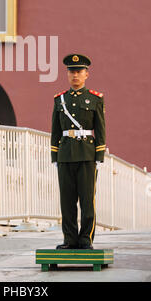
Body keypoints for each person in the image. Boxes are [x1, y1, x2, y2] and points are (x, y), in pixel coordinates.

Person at [51, 53, 106, 250]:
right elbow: (55, 130)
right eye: (71, 72)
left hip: (87, 154)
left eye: (78, 72)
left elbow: (100, 129)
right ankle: (70, 239)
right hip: (66, 154)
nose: (75, 75)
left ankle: (85, 239)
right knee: (67, 200)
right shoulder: (60, 100)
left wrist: (99, 155)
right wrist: (54, 156)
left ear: (86, 74)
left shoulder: (95, 99)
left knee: (87, 200)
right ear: (67, 74)